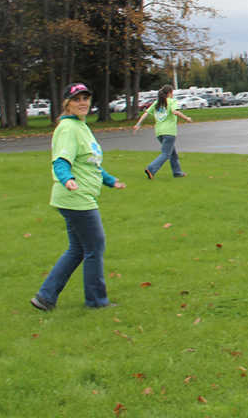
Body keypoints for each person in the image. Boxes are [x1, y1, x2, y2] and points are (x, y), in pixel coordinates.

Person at [30, 83, 126, 311]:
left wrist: (110, 180)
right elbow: (61, 160)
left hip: (77, 197)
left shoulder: (81, 126)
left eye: (85, 98)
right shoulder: (67, 128)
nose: (83, 103)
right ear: (67, 104)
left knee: (78, 249)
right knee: (95, 246)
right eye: (77, 99)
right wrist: (66, 179)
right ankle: (96, 301)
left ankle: (45, 297)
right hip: (76, 197)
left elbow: (90, 163)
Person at [132, 85, 193, 179]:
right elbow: (175, 112)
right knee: (166, 154)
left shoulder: (157, 103)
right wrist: (187, 118)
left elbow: (146, 113)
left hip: (159, 132)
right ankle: (151, 169)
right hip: (169, 132)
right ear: (169, 93)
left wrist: (138, 124)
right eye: (172, 93)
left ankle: (177, 172)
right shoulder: (172, 101)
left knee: (172, 153)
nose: (173, 95)